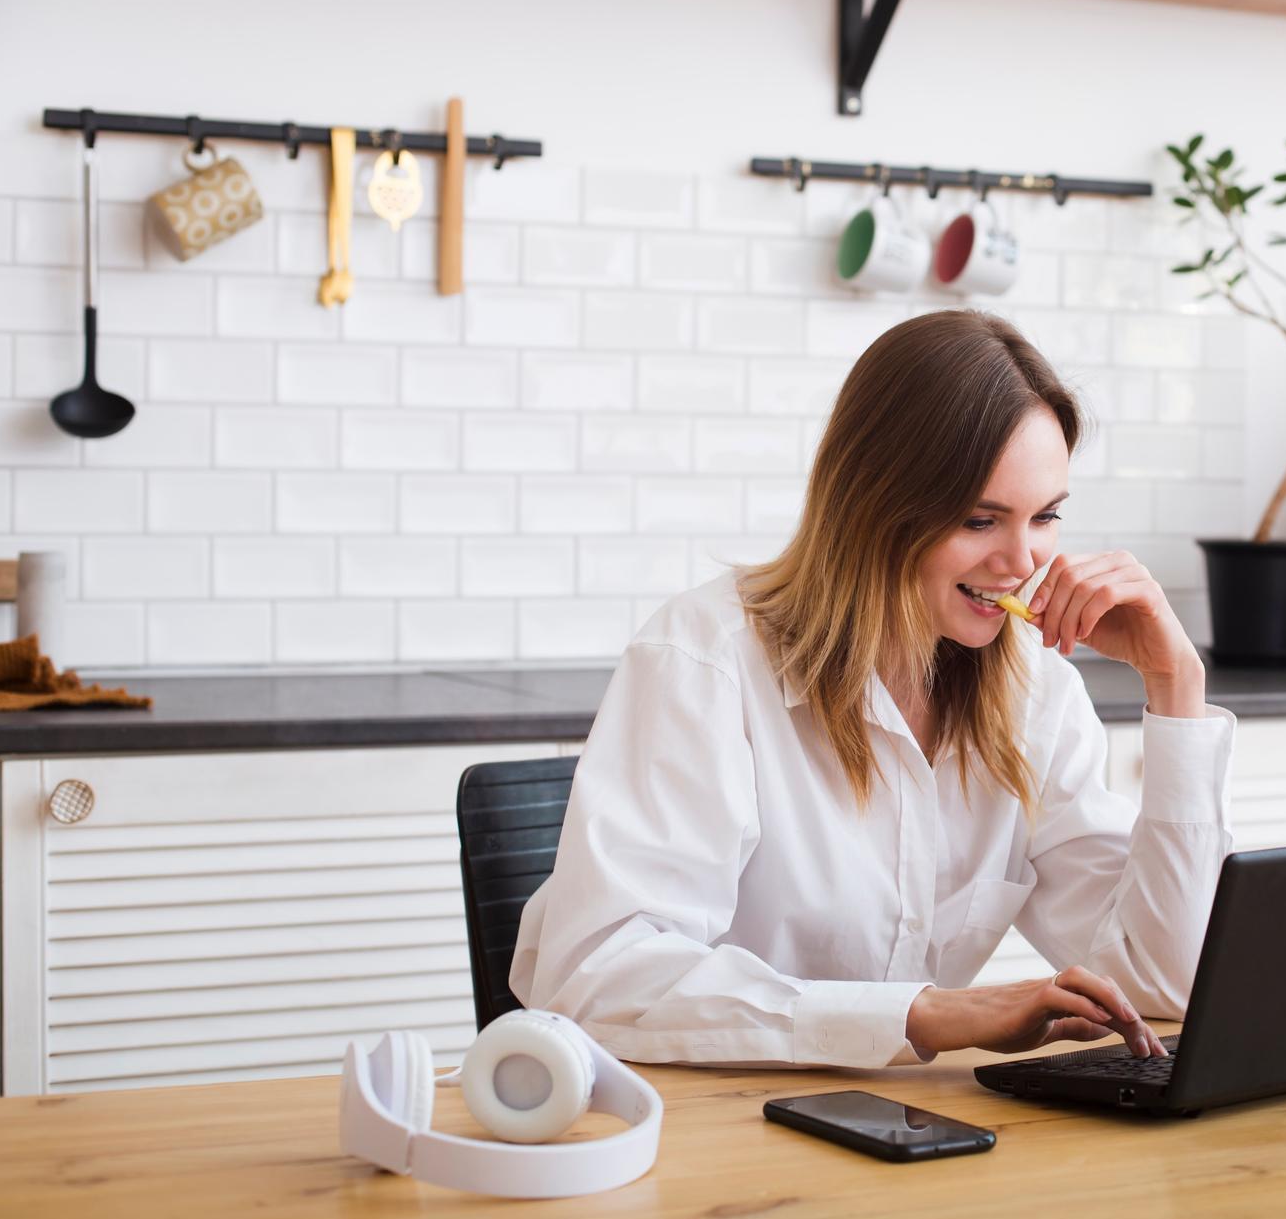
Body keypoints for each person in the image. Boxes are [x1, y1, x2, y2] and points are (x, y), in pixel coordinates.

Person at [510, 310, 1236, 1068]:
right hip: (694, 1130)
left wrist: (1175, 685)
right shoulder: (705, 662)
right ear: (876, 505)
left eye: (1045, 516)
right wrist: (921, 1016)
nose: (1022, 561)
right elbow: (596, 979)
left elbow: (1168, 984)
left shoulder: (1036, 690)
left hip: (897, 1129)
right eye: (980, 519)